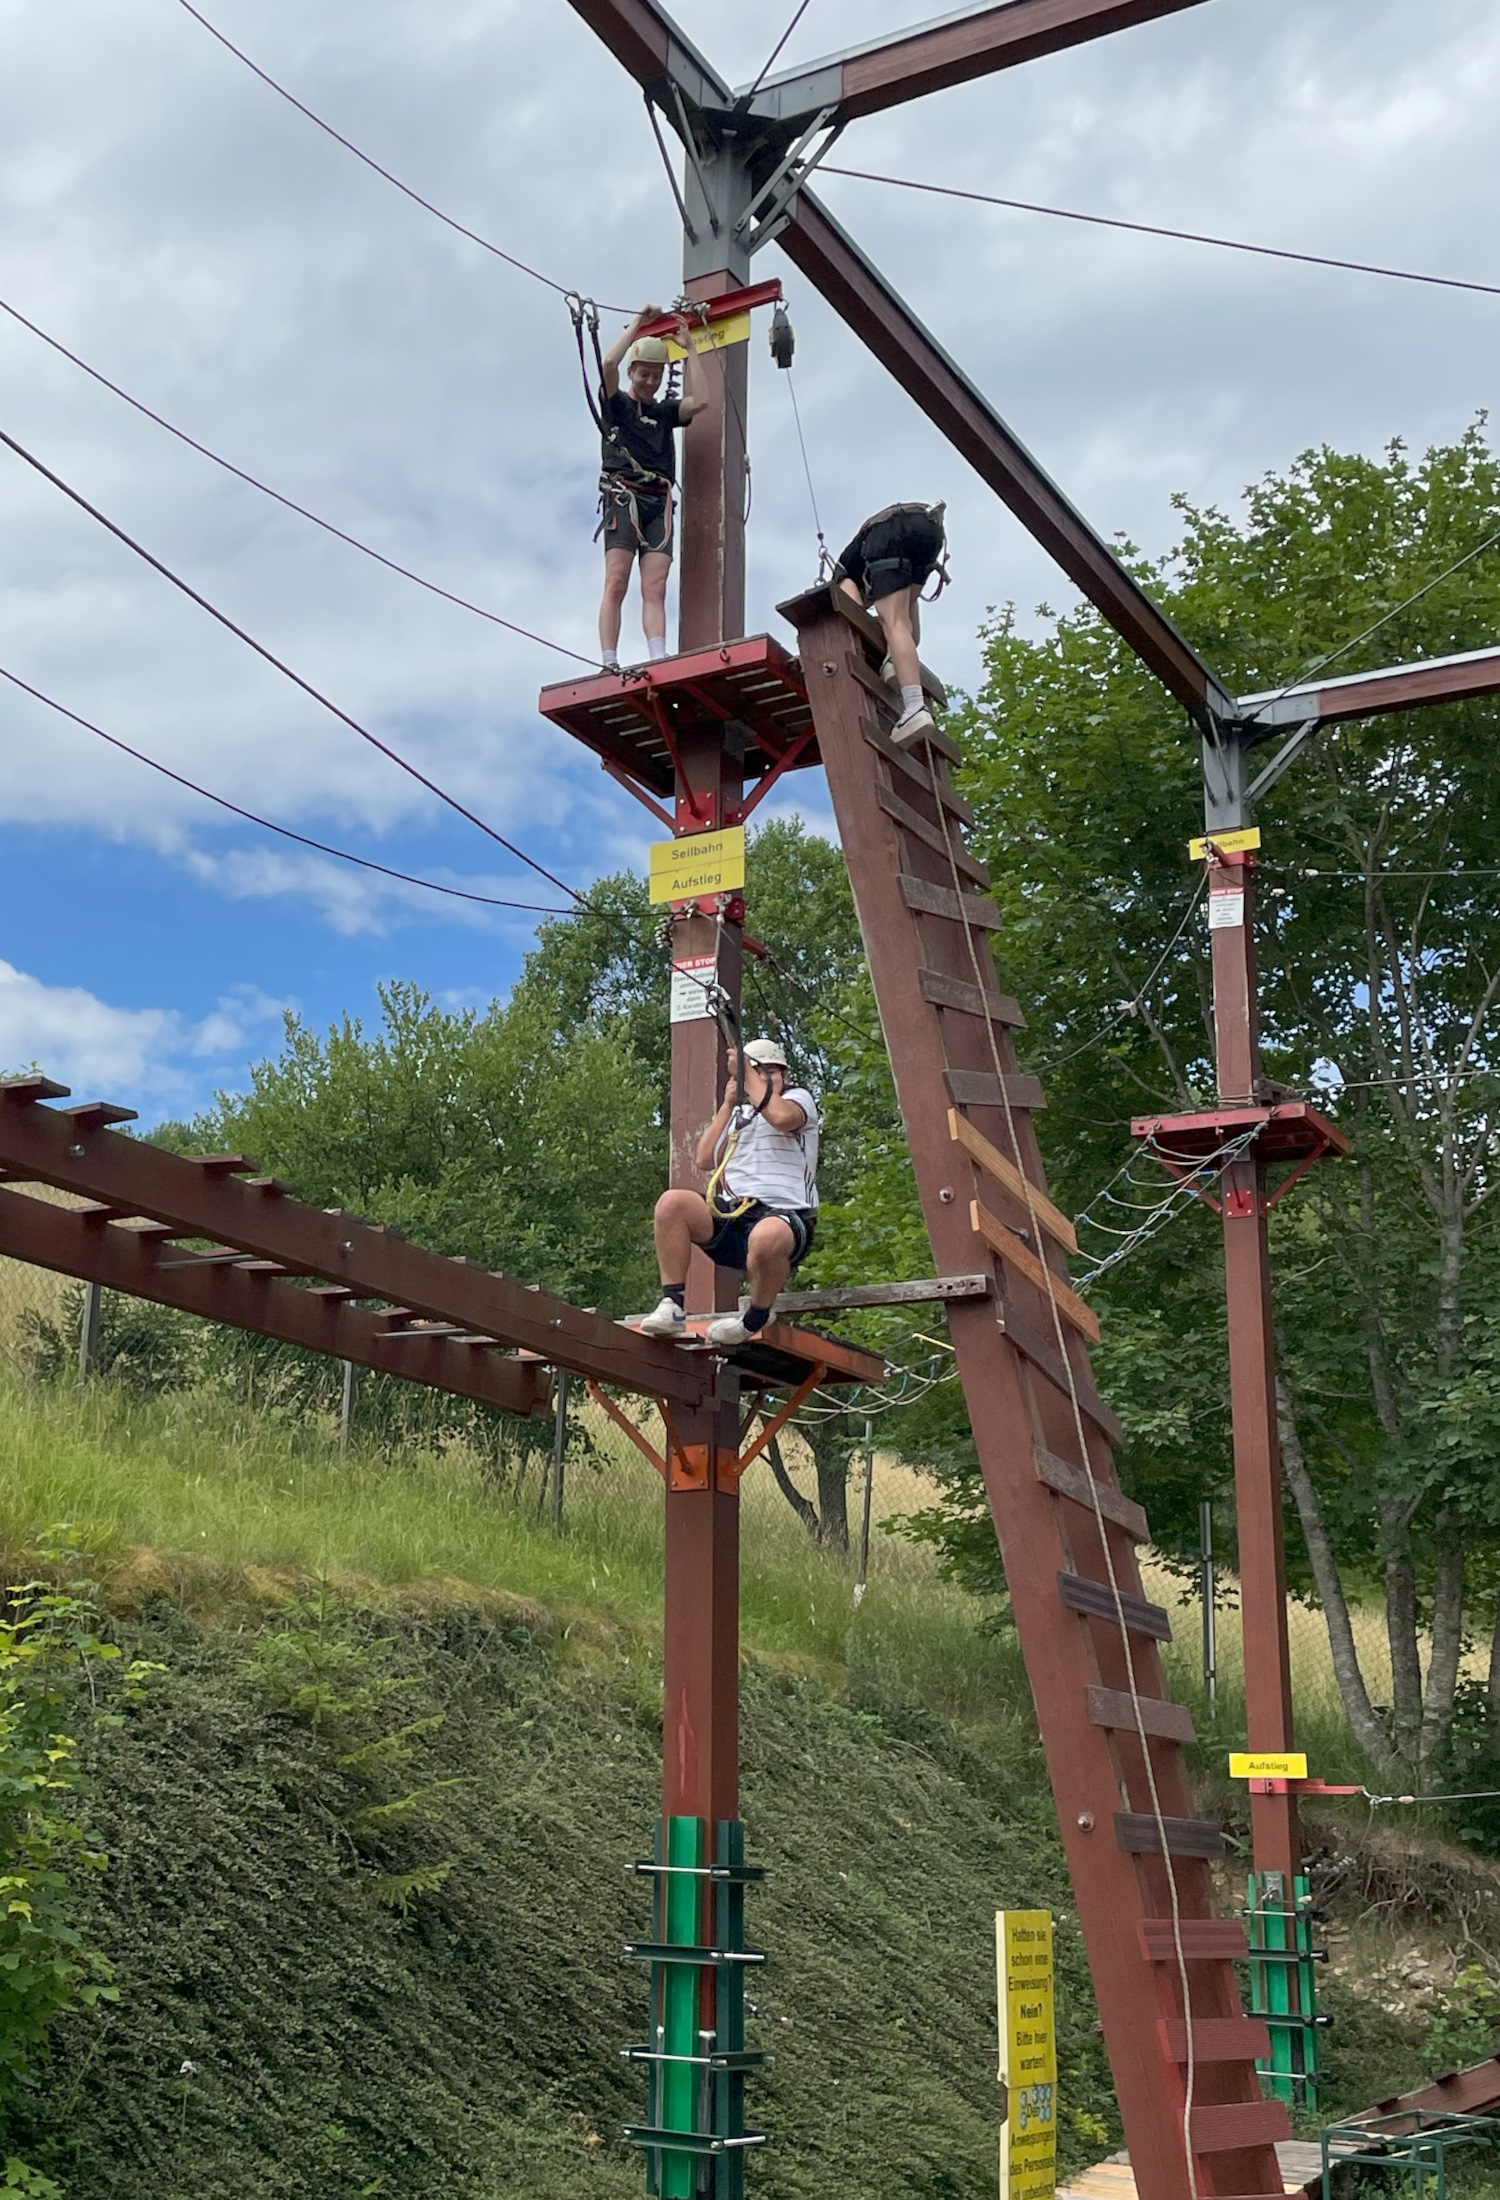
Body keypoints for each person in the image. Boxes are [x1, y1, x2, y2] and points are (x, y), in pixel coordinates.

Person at [638, 1038, 819, 1349]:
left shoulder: (797, 1100)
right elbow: (705, 1158)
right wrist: (726, 1106)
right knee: (672, 1203)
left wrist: (748, 1074)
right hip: (736, 1213)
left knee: (765, 1237)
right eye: (757, 1072)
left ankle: (755, 1317)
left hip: (785, 1215)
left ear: (785, 1077)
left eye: (770, 1072)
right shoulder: (741, 1116)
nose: (763, 1079)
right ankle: (672, 1303)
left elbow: (781, 1118)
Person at [595, 304, 709, 672]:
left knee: (655, 586)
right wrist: (638, 327)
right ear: (633, 372)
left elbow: (702, 401)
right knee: (616, 580)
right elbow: (608, 367)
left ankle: (657, 658)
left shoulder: (661, 413)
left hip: (657, 500)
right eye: (644, 374)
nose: (649, 382)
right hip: (624, 494)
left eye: (656, 376)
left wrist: (690, 348)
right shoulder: (618, 406)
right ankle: (609, 660)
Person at [832, 501, 947, 746]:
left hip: (891, 530)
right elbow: (910, 631)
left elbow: (854, 615)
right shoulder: (872, 566)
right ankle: (896, 661)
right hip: (929, 528)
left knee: (893, 621)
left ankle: (915, 707)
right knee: (902, 618)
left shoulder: (844, 574)